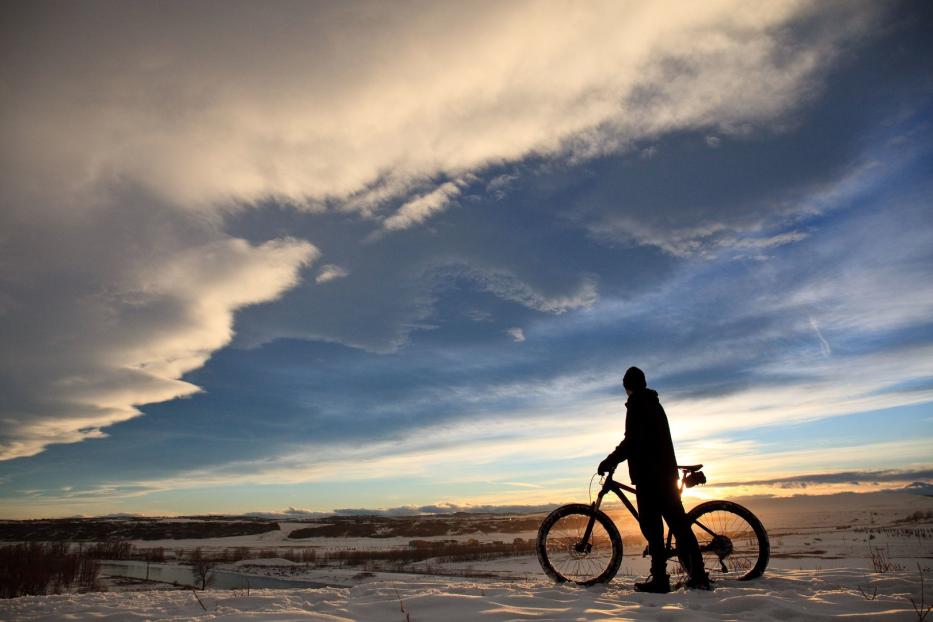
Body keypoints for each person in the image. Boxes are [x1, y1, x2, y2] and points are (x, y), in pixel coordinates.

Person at [597, 366, 711, 593]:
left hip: (650, 477)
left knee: (653, 528)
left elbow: (632, 441)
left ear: (627, 387)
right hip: (664, 473)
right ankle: (696, 575)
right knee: (678, 526)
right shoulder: (653, 402)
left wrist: (610, 461)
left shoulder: (638, 404)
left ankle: (661, 580)